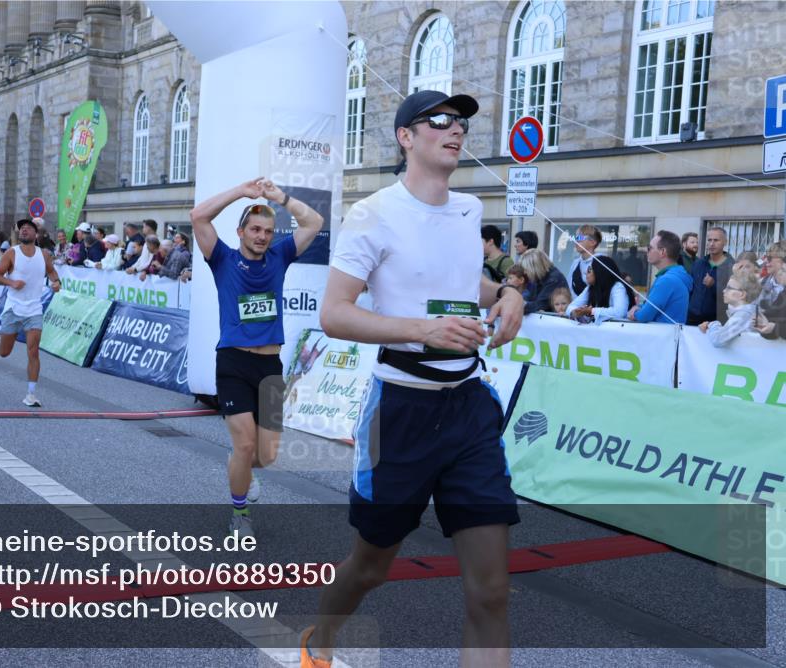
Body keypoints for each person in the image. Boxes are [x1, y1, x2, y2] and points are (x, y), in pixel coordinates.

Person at [302, 90, 524, 668]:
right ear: (406, 137)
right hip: (400, 409)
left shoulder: (469, 209)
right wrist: (421, 330)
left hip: (470, 407)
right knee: (371, 567)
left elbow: (459, 278)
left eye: (463, 123)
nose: (457, 131)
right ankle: (320, 640)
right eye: (441, 121)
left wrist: (506, 292)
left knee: (491, 590)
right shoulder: (372, 213)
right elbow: (334, 312)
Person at [190, 176, 323, 538]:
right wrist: (240, 191)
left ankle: (240, 471)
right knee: (245, 443)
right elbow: (199, 216)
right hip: (233, 362)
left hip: (270, 366)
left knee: (265, 456)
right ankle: (240, 514)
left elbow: (314, 223)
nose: (262, 236)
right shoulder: (222, 259)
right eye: (255, 229)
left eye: (267, 230)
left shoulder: (280, 256)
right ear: (241, 232)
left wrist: (279, 197)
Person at [0, 219, 62, 407]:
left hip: (34, 310)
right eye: (21, 229)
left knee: (33, 352)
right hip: (13, 308)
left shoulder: (44, 254)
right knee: (5, 353)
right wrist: (12, 283)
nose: (24, 231)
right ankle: (2, 340)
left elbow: (53, 273)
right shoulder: (11, 253)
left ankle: (31, 394)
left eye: (28, 228)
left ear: (36, 234)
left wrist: (56, 283)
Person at [628, 231, 691, 324]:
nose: (647, 251)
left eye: (650, 248)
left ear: (662, 252)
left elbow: (644, 316)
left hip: (664, 336)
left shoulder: (667, 280)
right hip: (670, 335)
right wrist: (640, 308)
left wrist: (634, 312)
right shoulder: (674, 276)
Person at [699, 268, 762, 347]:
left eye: (729, 288)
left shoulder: (743, 315)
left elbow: (717, 340)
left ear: (742, 294)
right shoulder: (747, 312)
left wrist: (711, 324)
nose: (724, 291)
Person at [565, 255, 636, 324]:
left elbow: (619, 312)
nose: (585, 272)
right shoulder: (590, 288)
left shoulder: (618, 287)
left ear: (599, 271)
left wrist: (591, 311)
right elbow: (570, 307)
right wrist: (576, 312)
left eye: (589, 269)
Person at [688, 226, 734, 326]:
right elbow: (690, 290)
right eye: (709, 240)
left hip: (715, 323)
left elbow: (733, 298)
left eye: (716, 240)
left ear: (725, 242)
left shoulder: (732, 267)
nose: (712, 244)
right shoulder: (698, 264)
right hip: (692, 321)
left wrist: (713, 285)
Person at [517, 248, 568, 314]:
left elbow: (539, 305)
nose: (525, 272)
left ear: (534, 267)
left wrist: (517, 305)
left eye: (526, 269)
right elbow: (530, 298)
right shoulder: (539, 277)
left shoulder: (554, 279)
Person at [565, 224, 603, 298]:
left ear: (593, 242)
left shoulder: (601, 262)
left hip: (592, 308)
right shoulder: (575, 263)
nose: (576, 241)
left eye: (580, 238)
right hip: (574, 307)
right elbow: (569, 288)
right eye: (575, 238)